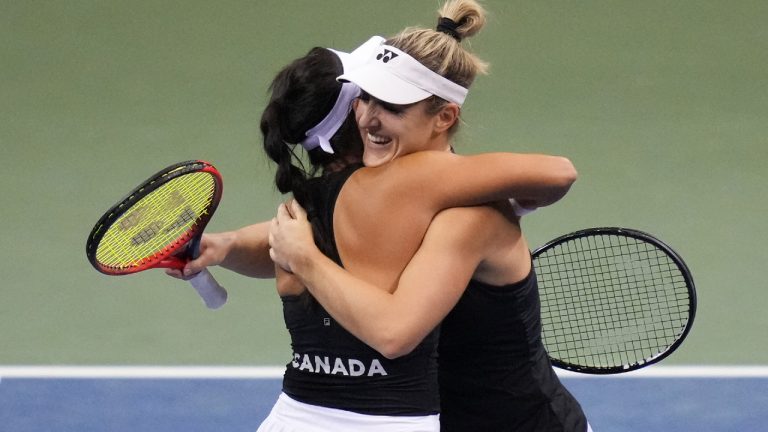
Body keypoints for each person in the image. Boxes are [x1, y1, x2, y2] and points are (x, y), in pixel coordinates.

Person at [170, 1, 584, 430]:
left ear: (444, 117)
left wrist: (304, 259)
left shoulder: (465, 213)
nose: (369, 116)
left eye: (393, 106)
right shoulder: (376, 189)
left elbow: (392, 332)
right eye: (365, 97)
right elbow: (297, 236)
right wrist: (228, 245)